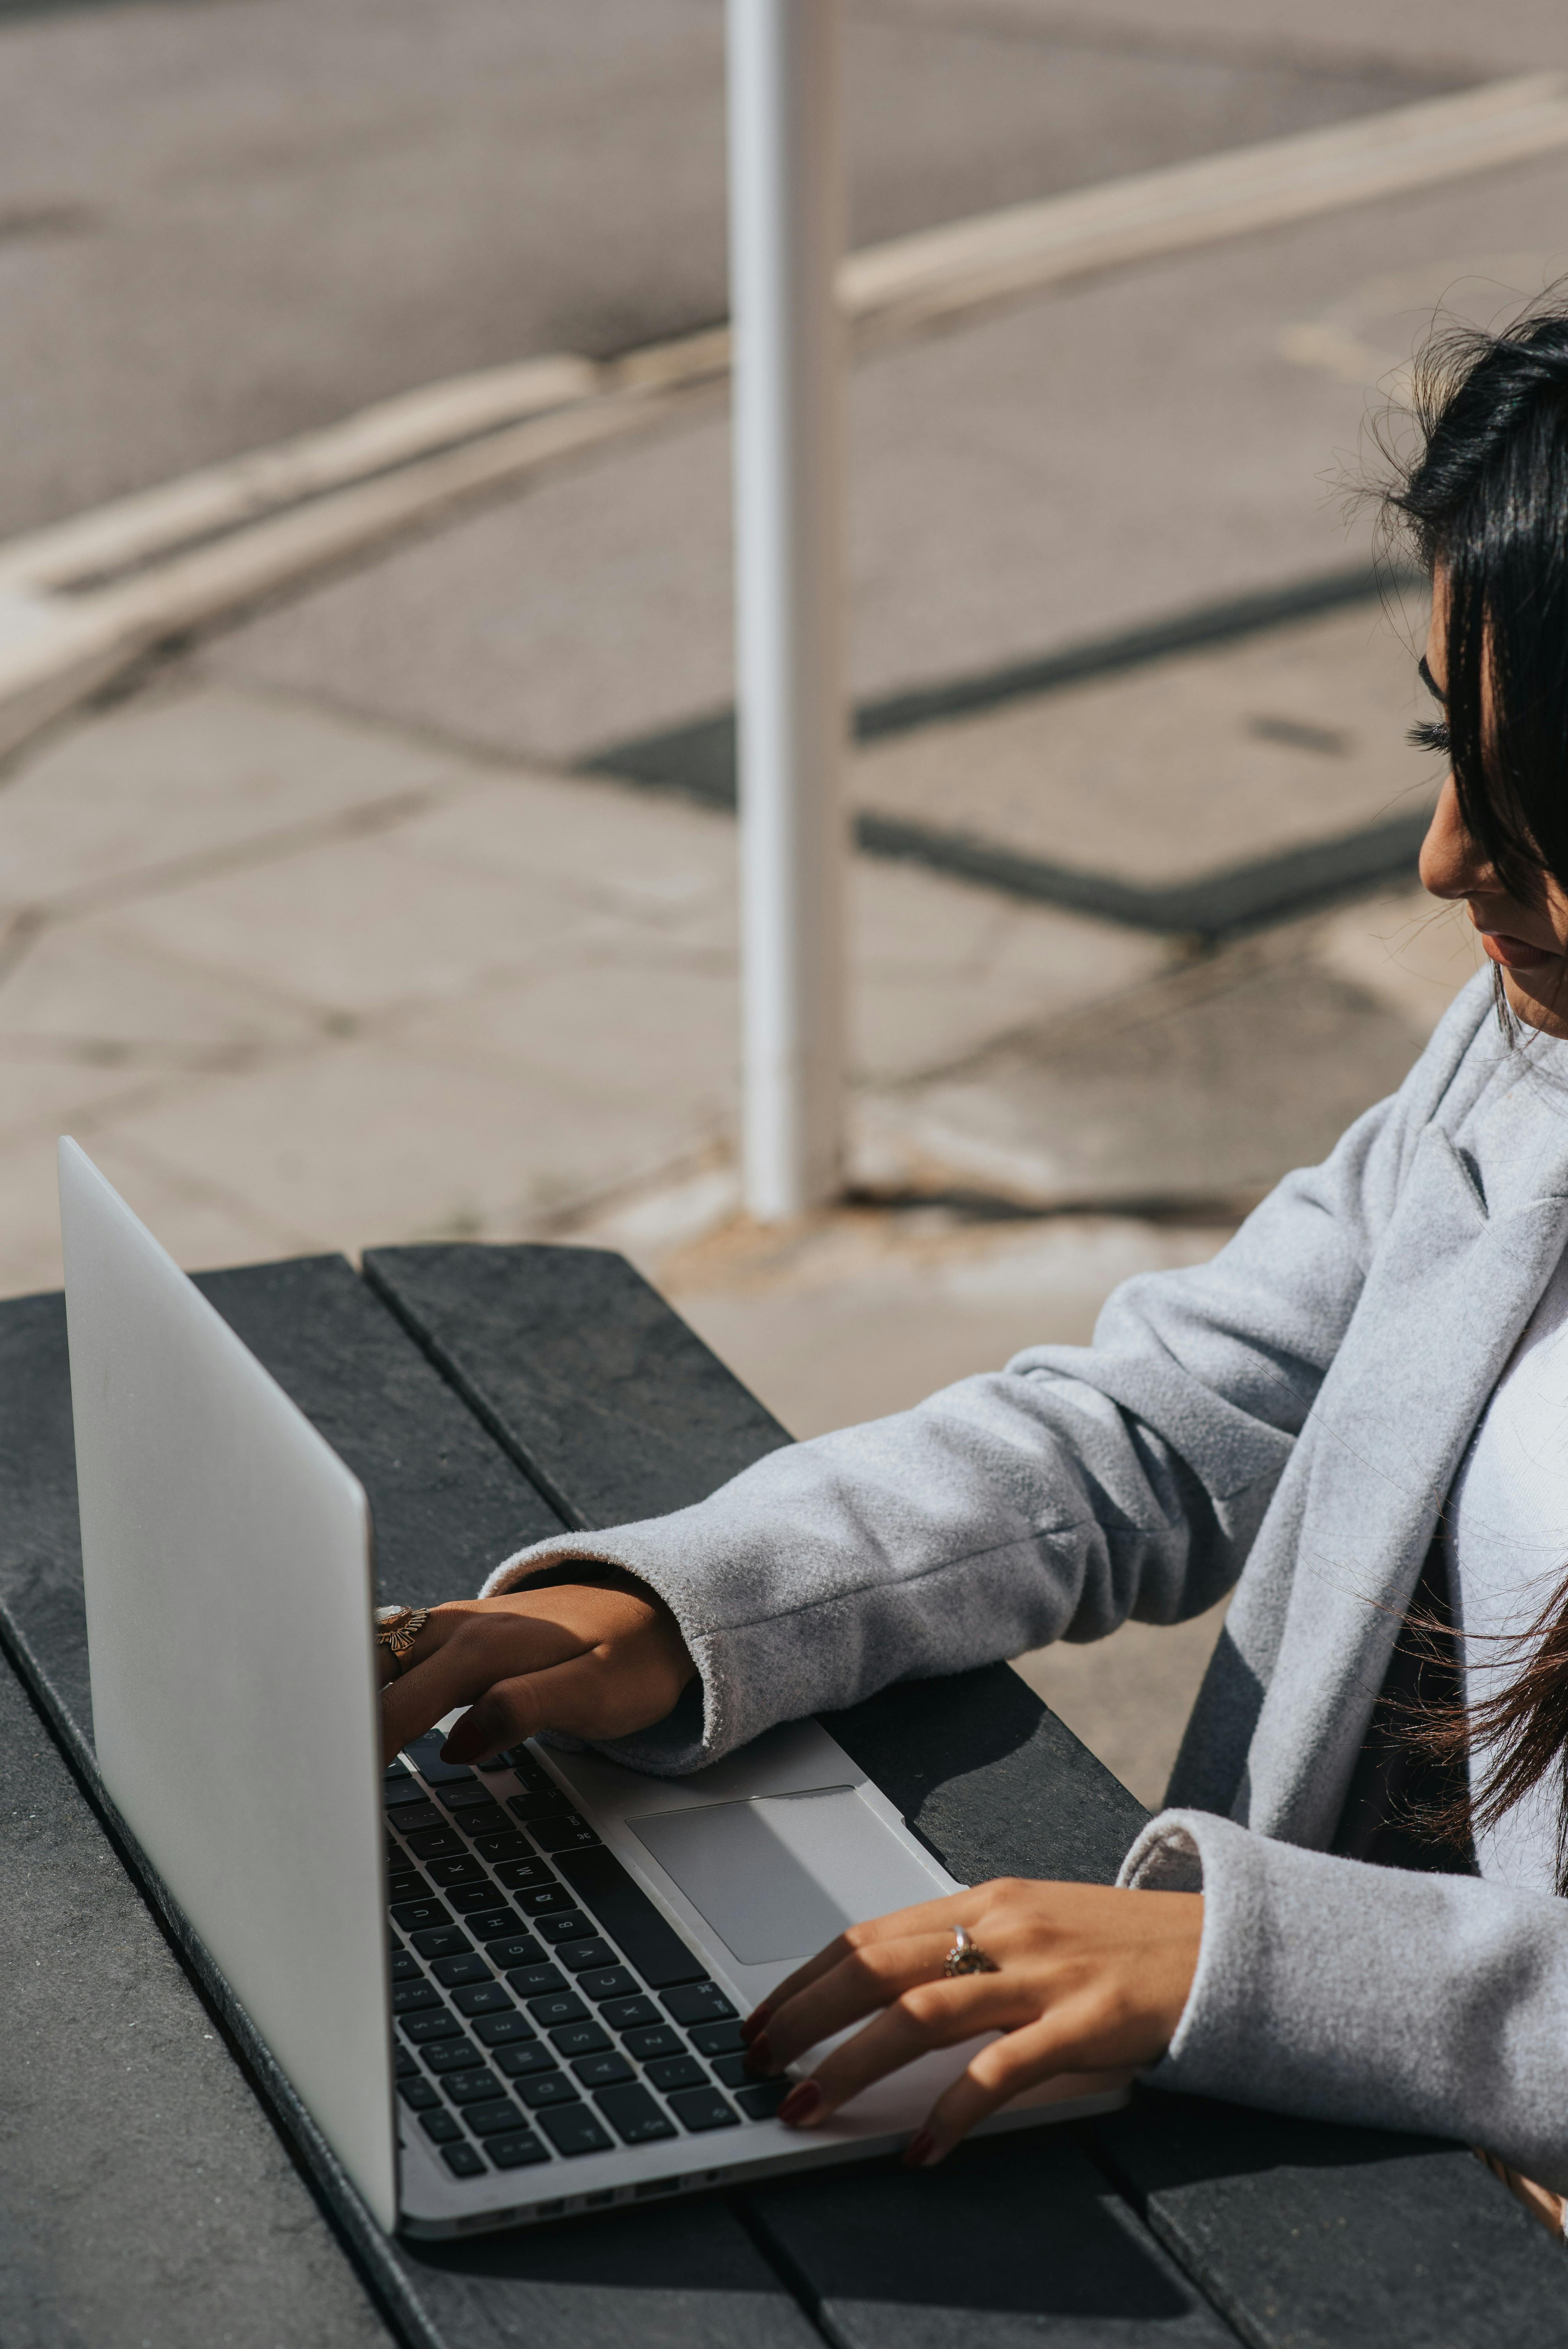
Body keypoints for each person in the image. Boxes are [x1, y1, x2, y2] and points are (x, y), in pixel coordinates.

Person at [379, 301, 1568, 2230]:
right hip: (1316, 2173)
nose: (1444, 861)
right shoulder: (1525, 1061)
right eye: (1452, 749)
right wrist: (681, 1609)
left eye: (1543, 807)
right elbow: (1158, 1427)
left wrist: (1229, 1968)